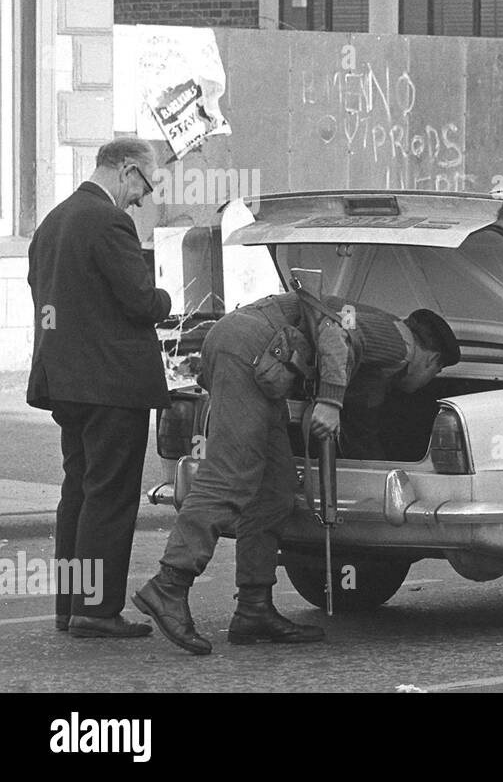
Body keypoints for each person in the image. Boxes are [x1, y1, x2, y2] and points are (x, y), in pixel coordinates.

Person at [132, 293, 459, 655]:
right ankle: (169, 585)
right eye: (436, 372)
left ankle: (253, 608)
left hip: (251, 353)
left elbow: (363, 426)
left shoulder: (380, 369)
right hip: (249, 349)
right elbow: (337, 331)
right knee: (229, 475)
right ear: (431, 358)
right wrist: (331, 400)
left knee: (274, 489)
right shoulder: (400, 341)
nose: (430, 380)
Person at [27, 136, 170, 638]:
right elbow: (138, 299)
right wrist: (165, 299)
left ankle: (70, 606)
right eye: (144, 186)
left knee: (80, 493)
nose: (141, 199)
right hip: (111, 384)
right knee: (110, 495)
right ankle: (96, 609)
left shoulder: (52, 221)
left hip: (65, 382)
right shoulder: (108, 221)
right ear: (127, 169)